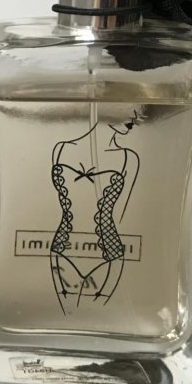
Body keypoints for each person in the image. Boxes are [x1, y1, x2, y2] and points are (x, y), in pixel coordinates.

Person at [49, 112, 140, 311]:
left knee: (104, 315)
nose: (135, 115)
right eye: (127, 105)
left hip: (110, 252)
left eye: (138, 109)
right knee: (62, 314)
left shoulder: (129, 159)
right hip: (62, 248)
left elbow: (121, 218)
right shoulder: (61, 149)